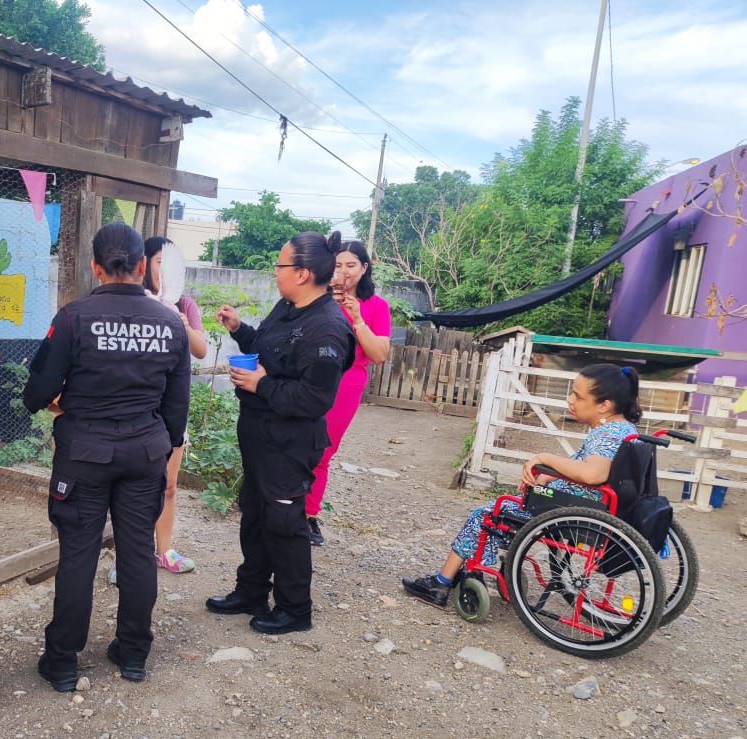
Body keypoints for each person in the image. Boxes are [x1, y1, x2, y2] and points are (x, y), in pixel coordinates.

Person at [23, 223, 190, 689]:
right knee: (138, 550)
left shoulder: (74, 318)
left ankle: (62, 662)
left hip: (85, 455)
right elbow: (178, 406)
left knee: (78, 554)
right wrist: (160, 445)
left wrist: (60, 402)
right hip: (145, 452)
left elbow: (35, 391)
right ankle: (134, 653)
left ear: (96, 267)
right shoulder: (170, 323)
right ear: (143, 267)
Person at [205, 231, 356, 635]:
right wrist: (240, 329)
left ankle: (294, 609)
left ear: (303, 273)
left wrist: (261, 385)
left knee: (285, 522)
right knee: (255, 514)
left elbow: (316, 397)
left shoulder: (326, 329)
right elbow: (271, 350)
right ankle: (251, 590)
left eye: (280, 265)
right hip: (261, 435)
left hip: (289, 441)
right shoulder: (289, 308)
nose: (276, 272)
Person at [402, 363, 642, 607]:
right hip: (584, 506)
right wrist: (552, 475)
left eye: (579, 397)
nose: (570, 400)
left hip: (570, 511)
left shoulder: (607, 434)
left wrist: (545, 459)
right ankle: (474, 569)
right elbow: (590, 470)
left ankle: (441, 583)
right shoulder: (624, 429)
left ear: (604, 405)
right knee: (505, 509)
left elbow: (593, 474)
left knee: (487, 514)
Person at [108, 236, 206, 577]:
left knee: (168, 484)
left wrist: (178, 320)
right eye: (161, 261)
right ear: (143, 264)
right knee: (127, 489)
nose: (166, 269)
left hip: (171, 412)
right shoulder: (130, 301)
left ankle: (164, 550)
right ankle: (126, 556)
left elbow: (201, 350)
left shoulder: (185, 305)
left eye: (172, 263)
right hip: (135, 411)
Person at [306, 240, 391, 545]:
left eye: (351, 265)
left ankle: (309, 516)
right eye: (338, 265)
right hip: (310, 376)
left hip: (347, 382)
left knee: (323, 450)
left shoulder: (377, 307)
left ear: (365, 268)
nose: (343, 272)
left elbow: (379, 355)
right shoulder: (318, 297)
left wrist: (357, 319)